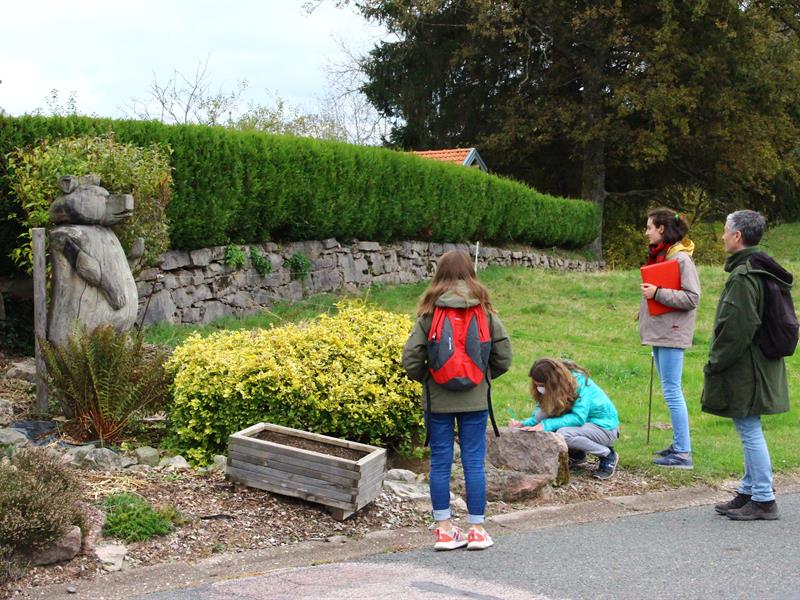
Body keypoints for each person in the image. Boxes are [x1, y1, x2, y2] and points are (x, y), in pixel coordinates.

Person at [402, 250, 512, 551]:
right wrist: (482, 377)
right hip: (475, 402)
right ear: (470, 272)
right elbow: (504, 356)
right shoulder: (486, 312)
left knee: (440, 462)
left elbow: (411, 358)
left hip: (437, 401)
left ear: (439, 273)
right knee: (474, 462)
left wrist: (428, 379)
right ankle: (476, 531)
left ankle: (444, 531)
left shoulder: (429, 312)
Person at [703, 210, 790, 521]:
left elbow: (738, 327)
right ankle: (750, 490)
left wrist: (715, 362)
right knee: (748, 427)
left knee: (749, 428)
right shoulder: (761, 268)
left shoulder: (744, 275)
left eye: (726, 231)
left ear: (737, 236)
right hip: (760, 363)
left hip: (748, 366)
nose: (723, 236)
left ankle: (764, 498)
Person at [639, 208, 701, 469]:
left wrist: (657, 293)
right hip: (662, 331)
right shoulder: (664, 257)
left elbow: (692, 298)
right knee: (669, 390)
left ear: (662, 229)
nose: (647, 232)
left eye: (649, 227)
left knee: (672, 391)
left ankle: (683, 453)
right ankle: (678, 445)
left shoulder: (682, 260)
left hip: (672, 333)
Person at [509, 358, 620, 480]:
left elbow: (578, 418)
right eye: (537, 385)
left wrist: (546, 425)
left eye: (541, 386)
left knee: (562, 434)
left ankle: (607, 455)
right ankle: (577, 454)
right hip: (584, 427)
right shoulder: (556, 387)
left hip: (604, 428)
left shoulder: (579, 383)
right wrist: (523, 424)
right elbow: (542, 413)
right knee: (549, 421)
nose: (539, 389)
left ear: (552, 382)